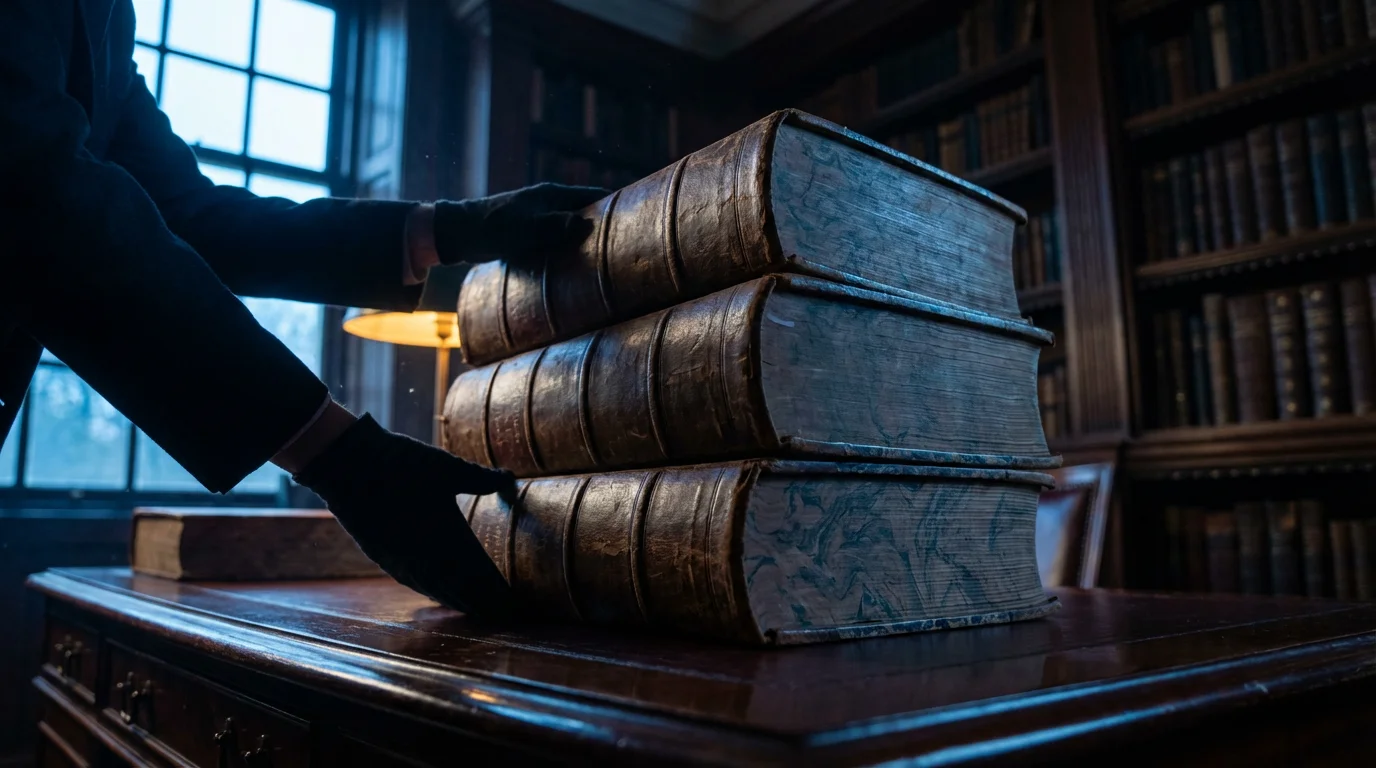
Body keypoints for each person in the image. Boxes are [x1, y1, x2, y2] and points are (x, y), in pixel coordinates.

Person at [0, 0, 607, 617]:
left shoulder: (107, 17)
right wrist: (341, 456)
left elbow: (189, 216)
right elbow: (35, 193)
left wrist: (450, 228)